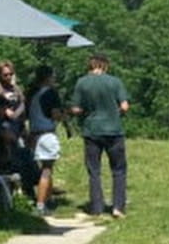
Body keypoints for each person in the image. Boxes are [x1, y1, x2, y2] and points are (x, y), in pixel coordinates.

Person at [69, 53, 131, 218]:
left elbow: (75, 108)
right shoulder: (115, 82)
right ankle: (118, 206)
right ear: (105, 66)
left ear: (91, 65)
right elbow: (125, 106)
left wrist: (85, 112)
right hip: (114, 130)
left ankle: (96, 207)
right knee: (118, 169)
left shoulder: (82, 82)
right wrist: (114, 113)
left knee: (94, 170)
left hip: (92, 130)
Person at [0, 60, 35, 199]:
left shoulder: (16, 89)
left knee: (26, 158)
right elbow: (1, 112)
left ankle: (28, 190)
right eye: (5, 75)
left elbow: (23, 107)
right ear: (0, 75)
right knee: (11, 161)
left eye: (11, 74)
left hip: (19, 129)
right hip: (3, 130)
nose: (8, 77)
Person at [26, 65, 66, 214]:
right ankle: (41, 204)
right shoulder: (50, 93)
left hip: (34, 133)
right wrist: (64, 115)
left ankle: (48, 200)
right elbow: (55, 114)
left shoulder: (32, 93)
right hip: (47, 133)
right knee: (47, 169)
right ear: (48, 77)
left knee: (46, 168)